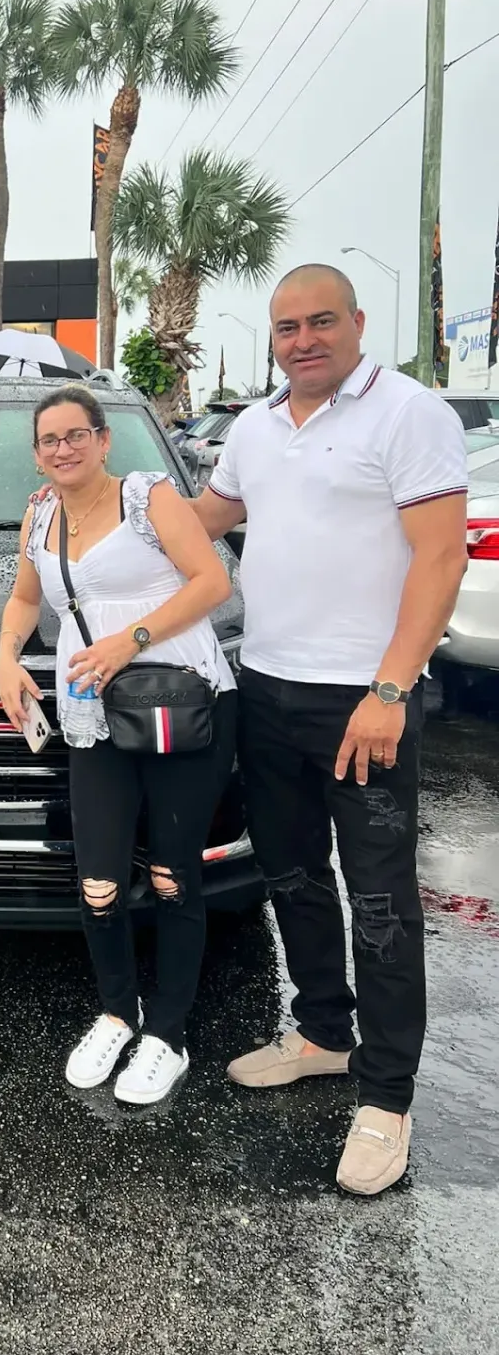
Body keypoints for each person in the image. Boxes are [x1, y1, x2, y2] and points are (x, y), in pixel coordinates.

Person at [192, 264, 468, 1195]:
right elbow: (207, 519)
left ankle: (386, 1096)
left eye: (320, 322)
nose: (303, 340)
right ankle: (321, 1032)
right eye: (286, 327)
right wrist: (92, 509)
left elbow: (441, 557)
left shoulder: (408, 413)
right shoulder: (256, 427)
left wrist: (391, 687)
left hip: (364, 699)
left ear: (356, 321)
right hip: (268, 686)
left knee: (380, 901)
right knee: (293, 875)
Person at [0, 386, 237, 1103]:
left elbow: (214, 581)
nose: (63, 448)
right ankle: (116, 1012)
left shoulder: (148, 497)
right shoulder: (40, 513)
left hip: (178, 705)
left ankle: (168, 1033)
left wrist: (129, 639)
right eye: (49, 439)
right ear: (36, 454)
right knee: (97, 881)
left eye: (77, 434)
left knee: (170, 875)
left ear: (104, 440)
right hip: (92, 715)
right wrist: (7, 657)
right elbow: (26, 598)